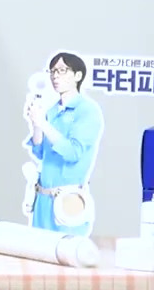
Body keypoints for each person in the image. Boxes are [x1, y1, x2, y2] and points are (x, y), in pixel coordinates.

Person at [23, 51, 105, 236]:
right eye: (52, 71)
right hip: (42, 199)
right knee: (38, 249)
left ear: (78, 75)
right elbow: (39, 152)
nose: (55, 76)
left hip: (69, 200)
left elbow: (73, 153)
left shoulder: (87, 110)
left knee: (66, 250)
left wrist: (44, 124)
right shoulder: (52, 110)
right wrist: (36, 124)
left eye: (62, 70)